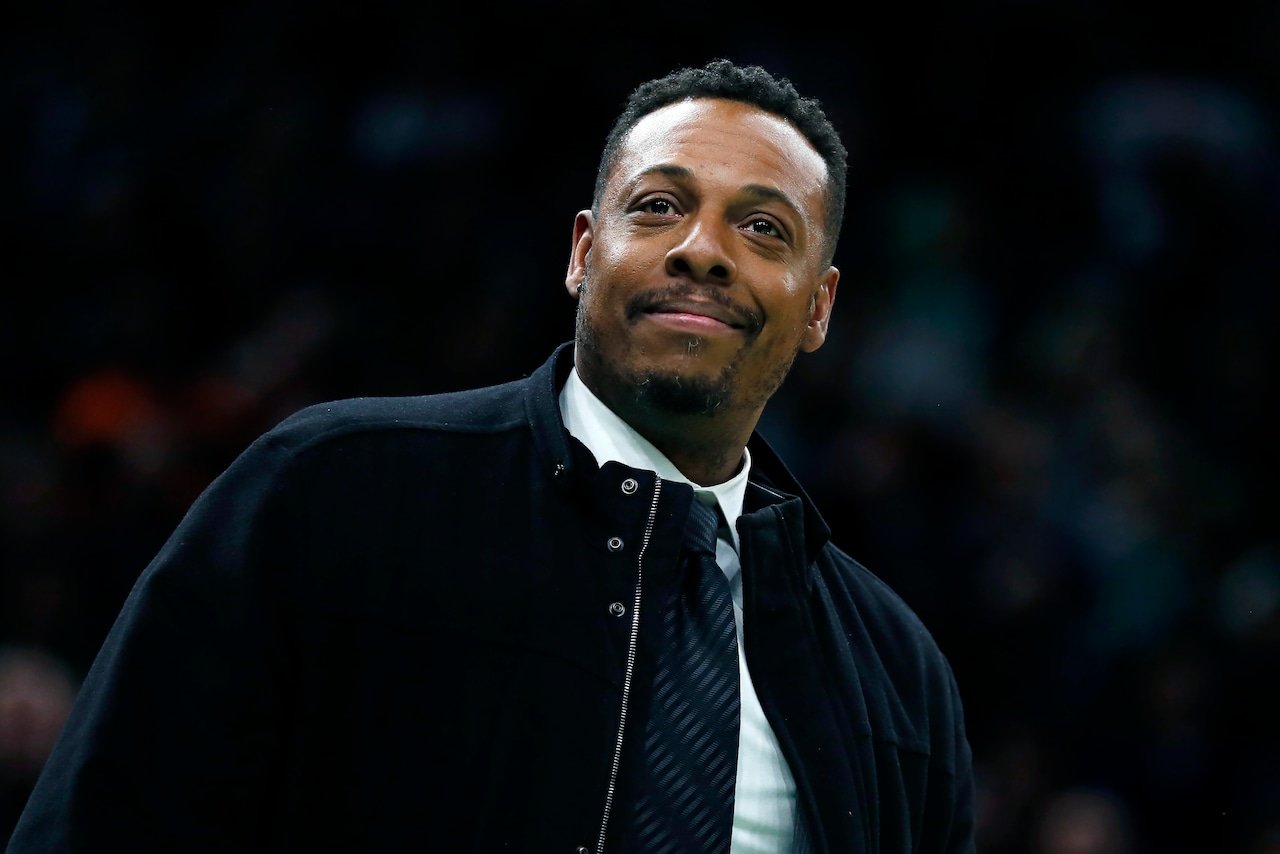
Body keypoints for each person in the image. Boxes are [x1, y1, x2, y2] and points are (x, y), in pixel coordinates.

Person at [6, 58, 975, 853]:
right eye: (656, 206)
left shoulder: (895, 673)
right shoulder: (332, 492)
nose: (701, 249)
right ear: (582, 252)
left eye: (762, 227)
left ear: (819, 306)